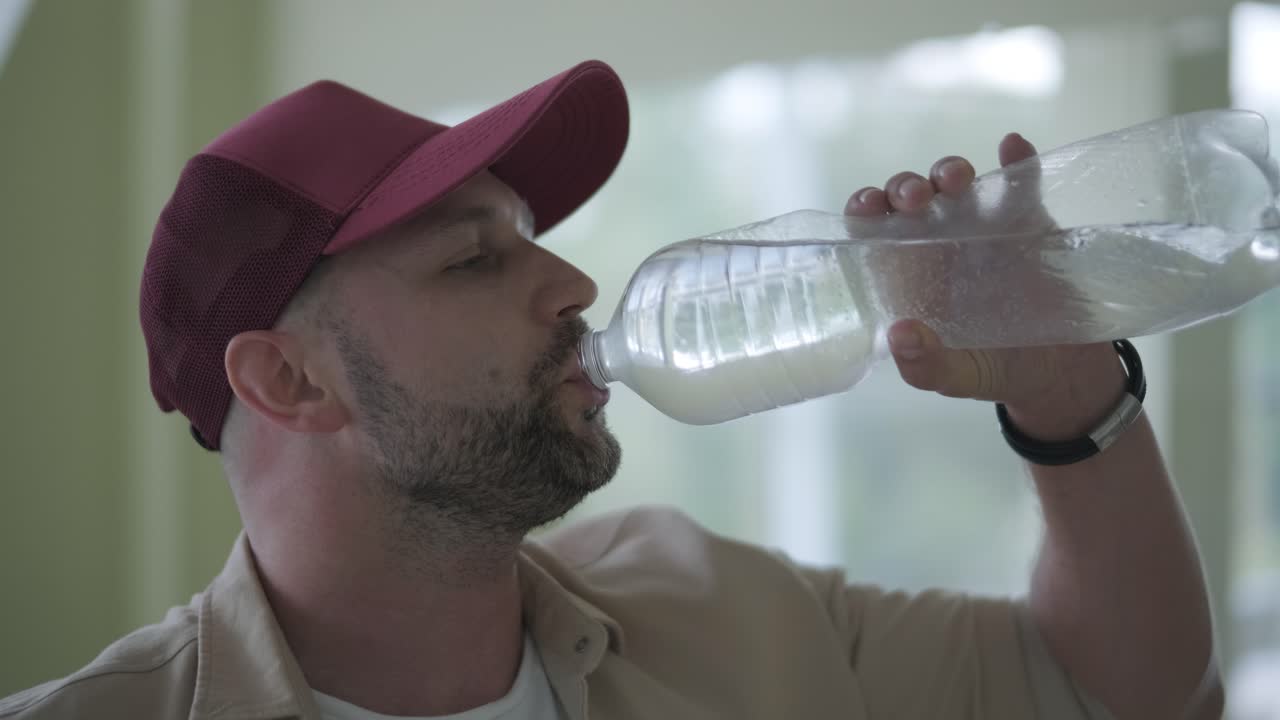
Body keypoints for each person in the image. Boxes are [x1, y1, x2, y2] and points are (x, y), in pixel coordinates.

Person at [0, 60, 1222, 720]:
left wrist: (1065, 391)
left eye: (532, 234)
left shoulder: (717, 608)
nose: (575, 280)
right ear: (288, 378)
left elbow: (1122, 691)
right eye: (476, 256)